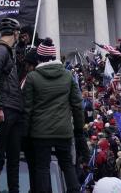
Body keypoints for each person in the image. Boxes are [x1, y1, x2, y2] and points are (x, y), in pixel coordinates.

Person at [22, 38, 85, 193]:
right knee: (67, 165)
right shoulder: (68, 76)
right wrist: (78, 130)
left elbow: (27, 109)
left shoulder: (32, 77)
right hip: (64, 131)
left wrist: (24, 135)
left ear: (39, 58)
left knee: (42, 167)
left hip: (40, 132)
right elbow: (77, 106)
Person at [0, 17, 25, 193]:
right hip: (3, 109)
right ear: (15, 33)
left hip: (15, 109)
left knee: (14, 157)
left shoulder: (9, 52)